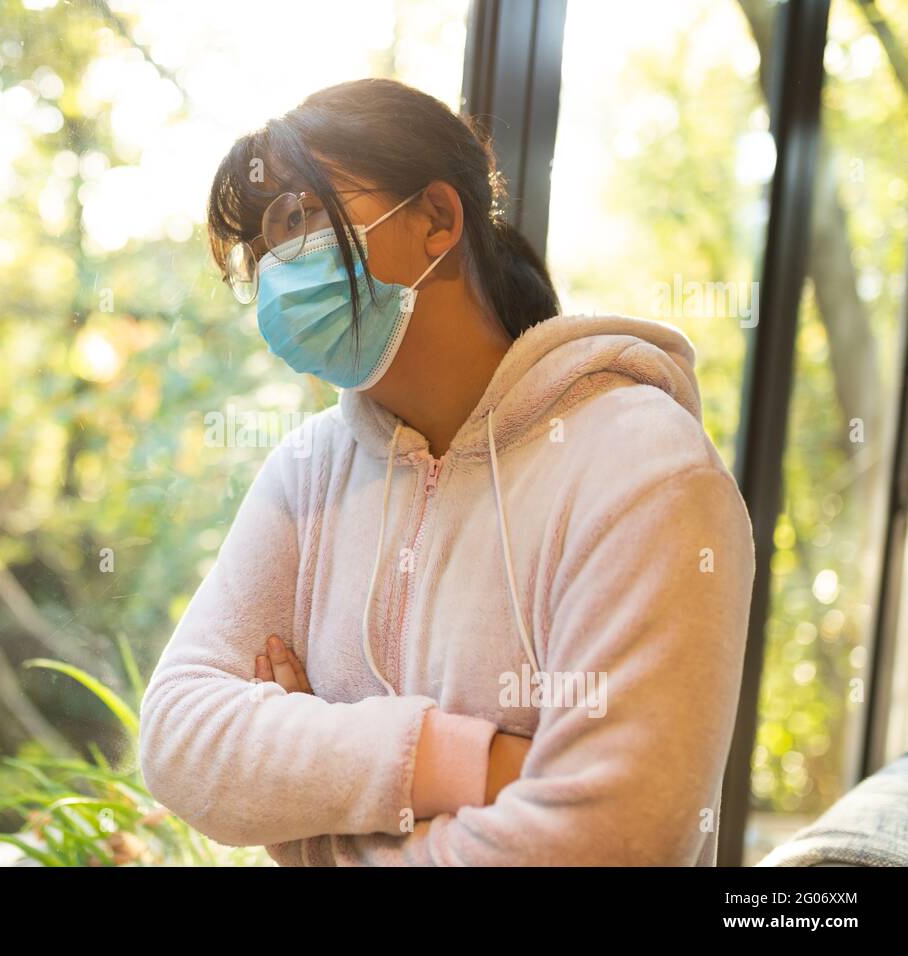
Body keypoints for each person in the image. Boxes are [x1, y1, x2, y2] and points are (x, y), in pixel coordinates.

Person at [137, 77, 755, 865]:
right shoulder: (308, 473)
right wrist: (468, 762)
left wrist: (311, 821)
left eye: (299, 220)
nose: (276, 273)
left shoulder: (647, 474)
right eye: (261, 251)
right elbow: (180, 737)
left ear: (436, 218)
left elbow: (609, 842)